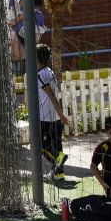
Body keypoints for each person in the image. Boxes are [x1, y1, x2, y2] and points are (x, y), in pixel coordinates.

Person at [36, 44, 70, 182]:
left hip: (45, 117)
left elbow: (51, 95)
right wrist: (60, 115)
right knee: (57, 145)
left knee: (40, 146)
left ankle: (57, 159)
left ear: (36, 59)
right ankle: (59, 174)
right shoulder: (49, 71)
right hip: (54, 117)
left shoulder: (41, 75)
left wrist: (61, 115)